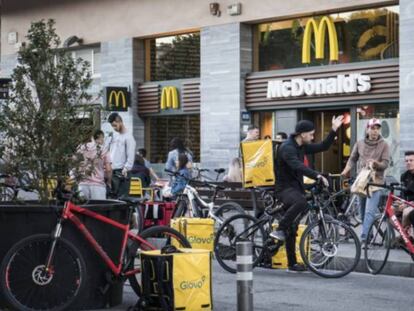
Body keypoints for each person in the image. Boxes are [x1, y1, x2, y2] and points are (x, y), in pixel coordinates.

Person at [270, 116, 344, 272]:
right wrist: (316, 175)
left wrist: (334, 129)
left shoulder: (301, 146)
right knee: (301, 203)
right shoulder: (287, 148)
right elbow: (297, 166)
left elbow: (323, 146)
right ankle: (280, 229)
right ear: (302, 134)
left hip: (295, 188)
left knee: (294, 226)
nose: (312, 137)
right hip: (283, 189)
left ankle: (292, 264)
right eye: (311, 134)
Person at [341, 118, 390, 244]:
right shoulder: (360, 143)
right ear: (367, 129)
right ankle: (369, 236)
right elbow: (352, 159)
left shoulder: (384, 145)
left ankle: (363, 238)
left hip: (376, 183)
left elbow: (385, 163)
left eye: (377, 128)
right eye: (372, 128)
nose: (375, 131)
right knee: (362, 212)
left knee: (369, 211)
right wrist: (345, 170)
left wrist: (375, 164)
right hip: (361, 182)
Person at [74, 130, 112, 200]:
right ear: (100, 137)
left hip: (82, 184)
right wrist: (109, 182)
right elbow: (108, 169)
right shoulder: (104, 149)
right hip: (98, 185)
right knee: (98, 210)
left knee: (83, 209)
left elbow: (74, 164)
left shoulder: (81, 147)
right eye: (103, 138)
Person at [107, 113, 136, 197]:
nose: (114, 128)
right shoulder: (114, 136)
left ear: (120, 122)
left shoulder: (129, 137)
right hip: (112, 171)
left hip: (122, 172)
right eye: (112, 126)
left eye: (115, 125)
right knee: (112, 198)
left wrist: (126, 168)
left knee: (122, 199)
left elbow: (131, 156)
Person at [398, 151, 414, 229]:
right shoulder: (404, 176)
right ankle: (403, 232)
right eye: (406, 161)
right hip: (406, 203)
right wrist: (401, 201)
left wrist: (409, 203)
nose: (408, 163)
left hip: (411, 204)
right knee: (390, 211)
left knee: (406, 212)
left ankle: (405, 238)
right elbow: (403, 192)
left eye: (411, 160)